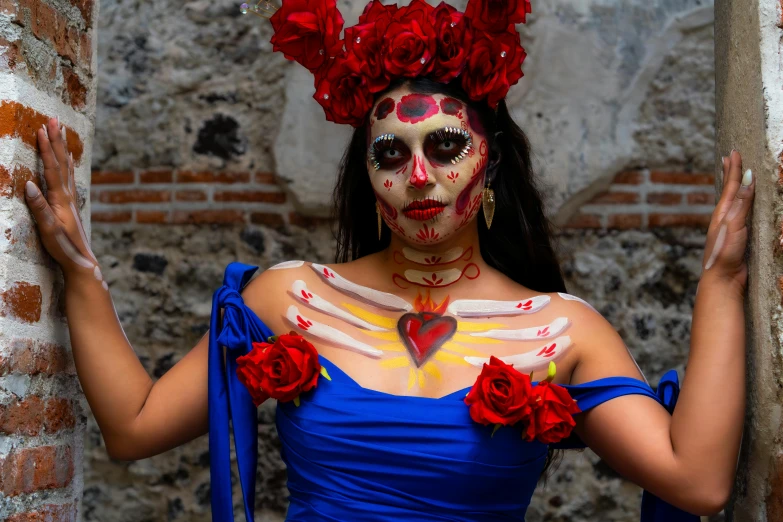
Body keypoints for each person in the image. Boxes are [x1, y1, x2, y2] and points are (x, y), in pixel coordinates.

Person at [24, 0, 753, 520]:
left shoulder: (561, 332)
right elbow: (134, 426)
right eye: (390, 154)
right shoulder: (289, 300)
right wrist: (82, 276)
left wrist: (720, 283)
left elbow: (695, 482)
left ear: (488, 168)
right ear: (368, 182)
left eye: (444, 147)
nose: (419, 176)